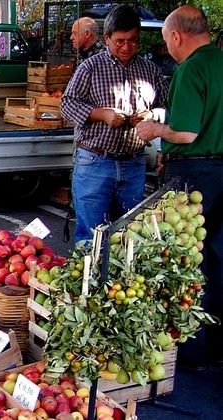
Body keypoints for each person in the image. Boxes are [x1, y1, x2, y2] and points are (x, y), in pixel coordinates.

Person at [136, 5, 223, 370]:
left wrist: (155, 131)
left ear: (175, 36)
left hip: (197, 176)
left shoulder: (191, 69)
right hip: (221, 170)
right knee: (219, 257)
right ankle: (217, 345)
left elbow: (186, 133)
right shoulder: (219, 61)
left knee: (187, 260)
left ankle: (192, 351)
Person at [61, 5, 168, 243]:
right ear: (107, 37)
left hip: (133, 163)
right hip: (95, 162)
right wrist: (101, 114)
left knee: (129, 235)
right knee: (90, 235)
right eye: (120, 41)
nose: (127, 47)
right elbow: (67, 104)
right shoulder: (90, 67)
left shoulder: (150, 70)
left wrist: (152, 116)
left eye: (133, 41)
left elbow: (165, 107)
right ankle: (89, 280)